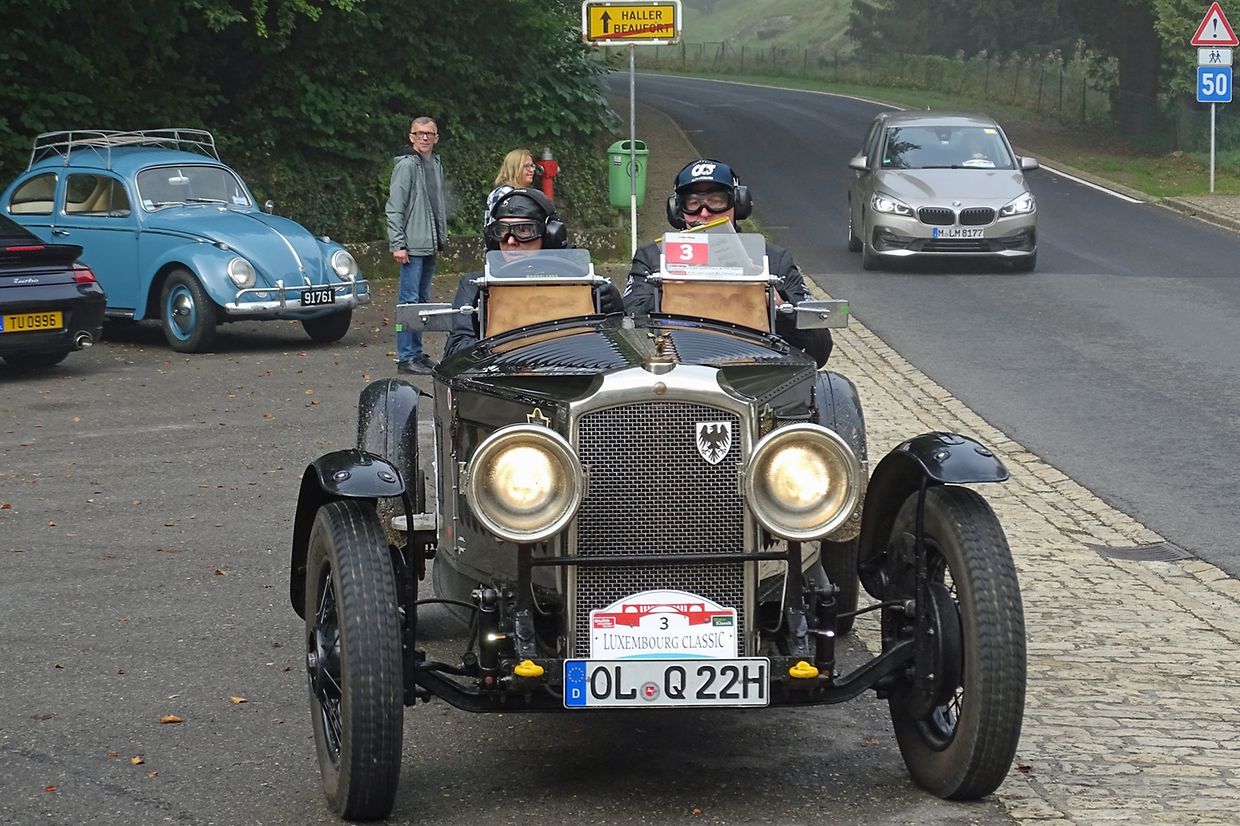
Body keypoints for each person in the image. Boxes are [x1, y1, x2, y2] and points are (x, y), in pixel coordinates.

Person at [622, 158, 832, 366]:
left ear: (737, 203)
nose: (704, 213)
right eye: (693, 203)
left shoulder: (773, 259)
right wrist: (669, 291)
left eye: (716, 201)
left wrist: (776, 303)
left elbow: (819, 349)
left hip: (754, 373)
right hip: (677, 371)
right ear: (677, 209)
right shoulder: (653, 257)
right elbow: (627, 323)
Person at [444, 189, 620, 358]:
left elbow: (616, 350)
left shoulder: (579, 282)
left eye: (524, 230)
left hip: (569, 372)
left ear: (550, 235)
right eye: (502, 231)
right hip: (499, 374)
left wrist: (614, 311)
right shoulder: (476, 285)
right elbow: (457, 351)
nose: (510, 240)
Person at [385, 116, 447, 375]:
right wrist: (398, 243)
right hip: (411, 245)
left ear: (436, 138)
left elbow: (436, 205)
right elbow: (395, 207)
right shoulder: (407, 166)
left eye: (429, 133)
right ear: (411, 137)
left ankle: (417, 354)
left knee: (422, 304)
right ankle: (406, 357)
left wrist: (440, 238)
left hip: (429, 244)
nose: (424, 137)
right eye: (419, 133)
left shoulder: (434, 164)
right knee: (408, 304)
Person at [483, 148, 537, 229]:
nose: (532, 170)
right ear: (514, 169)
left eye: (532, 166)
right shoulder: (504, 193)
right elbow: (498, 227)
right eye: (526, 166)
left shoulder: (522, 193)